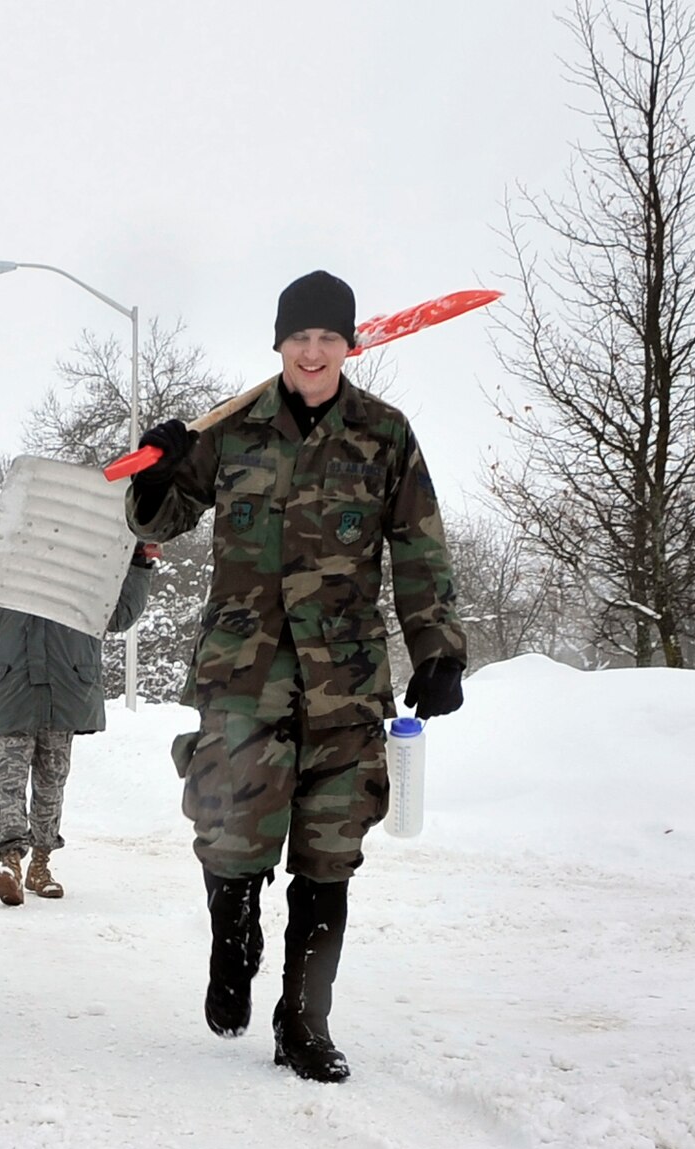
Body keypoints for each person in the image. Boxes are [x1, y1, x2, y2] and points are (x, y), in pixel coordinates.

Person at [126, 271, 467, 1083]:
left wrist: (438, 648)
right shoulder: (233, 430)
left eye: (327, 338)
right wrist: (157, 470)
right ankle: (233, 937)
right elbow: (156, 522)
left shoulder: (385, 434)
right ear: (278, 345)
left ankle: (304, 1020)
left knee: (329, 855)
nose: (312, 352)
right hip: (243, 678)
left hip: (345, 679)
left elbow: (421, 547)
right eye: (298, 338)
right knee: (231, 838)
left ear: (350, 345)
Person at [0, 544, 156, 905]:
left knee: (51, 783)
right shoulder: (0, 556)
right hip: (12, 687)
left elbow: (121, 614)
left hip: (64, 688)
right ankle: (11, 863)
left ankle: (41, 864)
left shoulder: (84, 563)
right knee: (9, 781)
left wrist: (139, 564)